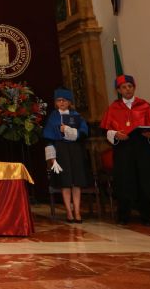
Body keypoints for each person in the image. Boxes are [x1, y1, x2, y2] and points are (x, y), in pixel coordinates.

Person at [101, 74, 150, 226]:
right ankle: (123, 216)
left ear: (134, 88)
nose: (127, 89)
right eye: (124, 87)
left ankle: (146, 216)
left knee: (144, 180)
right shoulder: (113, 108)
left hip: (142, 149)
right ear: (119, 90)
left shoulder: (145, 106)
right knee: (124, 181)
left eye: (130, 86)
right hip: (123, 150)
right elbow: (106, 130)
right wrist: (116, 134)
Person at [43, 88, 89, 223]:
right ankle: (69, 212)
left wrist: (69, 130)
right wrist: (51, 158)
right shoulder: (53, 117)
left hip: (75, 150)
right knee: (65, 181)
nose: (61, 103)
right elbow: (48, 138)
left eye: (64, 100)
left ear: (69, 102)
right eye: (59, 100)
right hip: (61, 150)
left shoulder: (77, 116)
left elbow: (84, 132)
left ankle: (78, 211)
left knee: (77, 181)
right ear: (56, 103)